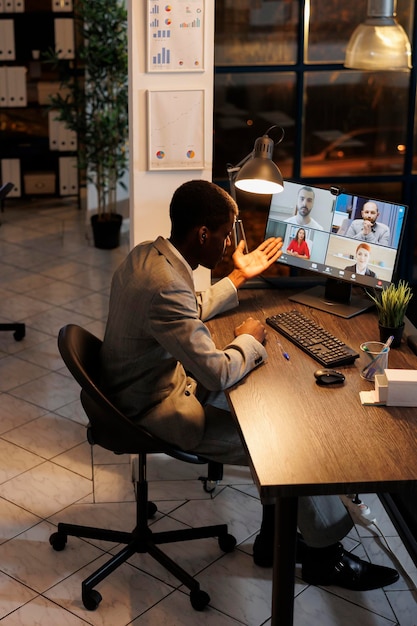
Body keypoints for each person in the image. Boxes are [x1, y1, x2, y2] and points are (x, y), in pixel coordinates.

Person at [100, 179, 398, 591]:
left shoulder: (150, 257)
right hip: (153, 410)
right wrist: (249, 339)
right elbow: (216, 373)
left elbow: (189, 307)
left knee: (269, 405)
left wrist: (238, 278)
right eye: (224, 235)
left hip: (136, 385)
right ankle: (323, 558)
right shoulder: (165, 284)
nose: (227, 246)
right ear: (202, 233)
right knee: (289, 449)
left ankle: (273, 539)